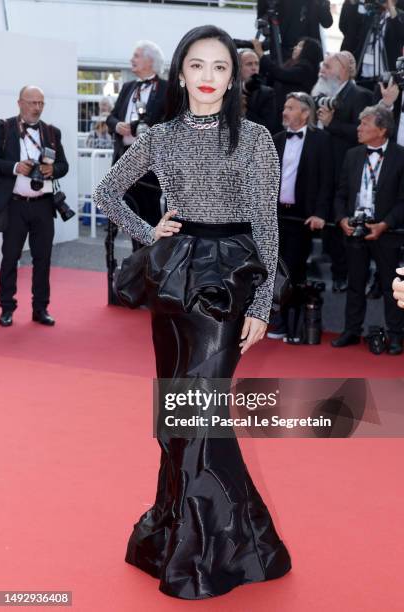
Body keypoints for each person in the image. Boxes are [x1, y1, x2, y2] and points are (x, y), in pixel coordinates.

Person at [94, 25, 291, 600]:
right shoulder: (159, 137)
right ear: (180, 73)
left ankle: (212, 550)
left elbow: (265, 225)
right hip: (175, 279)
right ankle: (191, 533)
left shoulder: (255, 138)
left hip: (228, 282)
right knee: (175, 415)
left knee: (201, 414)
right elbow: (108, 193)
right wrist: (148, 231)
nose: (208, 78)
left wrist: (262, 302)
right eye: (198, 67)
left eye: (221, 68)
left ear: (233, 79)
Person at [332, 105, 404, 355]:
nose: (359, 128)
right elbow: (340, 194)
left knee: (390, 285)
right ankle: (351, 331)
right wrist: (341, 219)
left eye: (365, 124)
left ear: (382, 129)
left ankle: (396, 335)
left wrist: (385, 225)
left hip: (387, 232)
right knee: (355, 283)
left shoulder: (400, 156)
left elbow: (403, 200)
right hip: (355, 230)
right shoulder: (352, 155)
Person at [0, 85, 69, 327]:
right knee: (10, 259)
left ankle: (41, 308)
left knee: (43, 259)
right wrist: (16, 167)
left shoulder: (51, 132)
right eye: (32, 103)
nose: (37, 108)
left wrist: (52, 169)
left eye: (40, 103)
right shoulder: (3, 128)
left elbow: (63, 166)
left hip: (43, 206)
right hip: (15, 205)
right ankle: (7, 308)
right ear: (19, 103)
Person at [105, 41, 168, 301]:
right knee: (123, 224)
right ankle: (130, 285)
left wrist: (145, 128)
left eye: (136, 56)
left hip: (148, 172)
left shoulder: (167, 90)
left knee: (149, 226)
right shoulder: (128, 87)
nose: (131, 60)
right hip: (121, 164)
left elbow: (169, 124)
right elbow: (111, 117)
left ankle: (150, 286)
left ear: (150, 62)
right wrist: (117, 125)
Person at [269, 92, 333, 340]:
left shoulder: (322, 141)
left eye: (291, 108)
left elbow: (327, 180)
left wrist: (319, 213)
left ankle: (293, 323)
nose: (285, 112)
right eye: (284, 107)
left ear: (306, 113)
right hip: (276, 215)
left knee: (295, 271)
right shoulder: (276, 139)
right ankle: (278, 320)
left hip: (302, 217)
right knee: (274, 268)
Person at [312, 51, 373, 292]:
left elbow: (361, 134)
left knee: (344, 225)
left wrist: (331, 124)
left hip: (346, 171)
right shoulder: (323, 95)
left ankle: (346, 275)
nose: (324, 68)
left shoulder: (360, 94)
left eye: (330, 64)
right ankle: (337, 271)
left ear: (346, 68)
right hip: (324, 169)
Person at [256, 36, 323, 133]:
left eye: (300, 46)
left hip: (292, 116)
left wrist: (261, 55)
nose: (294, 48)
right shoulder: (291, 64)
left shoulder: (306, 69)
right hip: (280, 112)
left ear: (308, 51)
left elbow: (281, 74)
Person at [339, 0, 404, 82]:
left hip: (386, 73)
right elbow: (353, 34)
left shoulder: (399, 16)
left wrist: (391, 8)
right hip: (364, 72)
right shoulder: (372, 14)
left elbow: (401, 33)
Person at [257, 0, 333, 61]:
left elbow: (327, 23)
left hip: (310, 53)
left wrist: (323, 3)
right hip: (282, 50)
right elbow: (261, 19)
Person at [239, 49, 277, 132]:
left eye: (257, 64)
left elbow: (268, 127)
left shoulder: (267, 93)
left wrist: (244, 110)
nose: (254, 68)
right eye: (249, 64)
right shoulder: (226, 90)